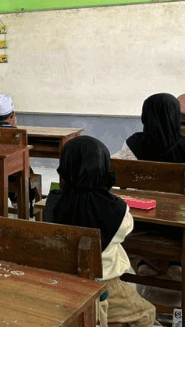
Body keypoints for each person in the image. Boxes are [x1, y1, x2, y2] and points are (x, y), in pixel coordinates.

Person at [46, 136, 156, 327]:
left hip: (63, 285)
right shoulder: (117, 208)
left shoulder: (53, 202)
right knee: (147, 312)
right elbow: (126, 229)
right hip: (105, 287)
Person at [112, 92, 185, 279]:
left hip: (141, 219)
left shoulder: (133, 143)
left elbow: (116, 166)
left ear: (145, 116)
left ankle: (144, 262)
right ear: (175, 117)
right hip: (179, 223)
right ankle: (177, 263)